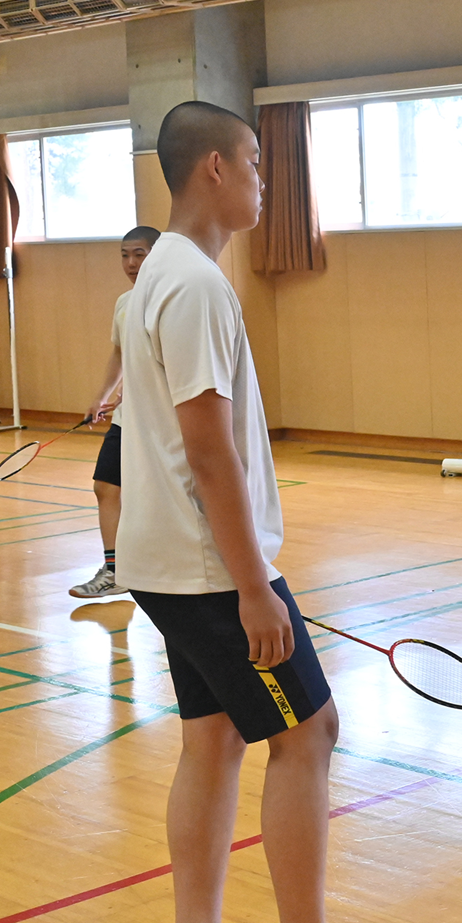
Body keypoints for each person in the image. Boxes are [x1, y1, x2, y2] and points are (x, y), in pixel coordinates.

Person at [116, 101, 337, 922]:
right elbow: (209, 453)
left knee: (212, 739)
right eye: (253, 162)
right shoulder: (195, 285)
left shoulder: (160, 274)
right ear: (214, 167)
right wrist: (253, 588)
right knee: (308, 733)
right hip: (208, 571)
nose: (262, 181)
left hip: (167, 563)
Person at [68, 225, 160, 599]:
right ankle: (115, 570)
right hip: (127, 419)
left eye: (139, 254)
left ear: (157, 255)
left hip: (160, 422)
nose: (131, 263)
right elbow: (120, 353)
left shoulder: (169, 300)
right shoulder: (124, 303)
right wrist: (103, 395)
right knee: (105, 486)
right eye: (125, 255)